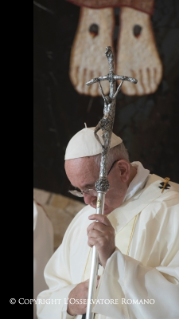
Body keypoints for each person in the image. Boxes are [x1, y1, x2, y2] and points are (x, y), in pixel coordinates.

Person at [37, 127, 179, 319]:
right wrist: (70, 301)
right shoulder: (82, 220)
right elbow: (47, 298)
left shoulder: (171, 209)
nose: (87, 201)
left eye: (91, 188)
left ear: (122, 170)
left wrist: (113, 259)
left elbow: (173, 302)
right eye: (79, 191)